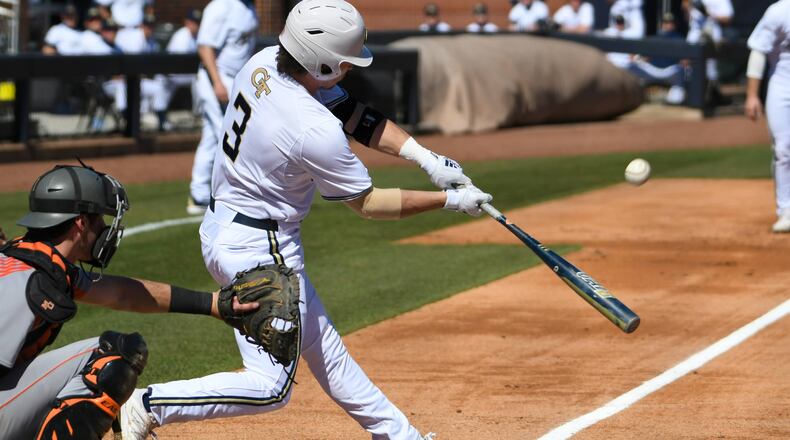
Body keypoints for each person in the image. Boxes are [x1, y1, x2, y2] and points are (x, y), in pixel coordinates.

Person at [117, 1, 490, 439]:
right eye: (346, 62)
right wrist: (447, 202)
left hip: (231, 228)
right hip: (261, 250)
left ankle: (399, 436)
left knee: (326, 349)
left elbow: (354, 114)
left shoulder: (265, 62)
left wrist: (425, 158)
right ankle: (146, 405)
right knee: (270, 386)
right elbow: (368, 204)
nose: (350, 68)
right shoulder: (312, 130)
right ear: (324, 62)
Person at [0, 164, 255, 439]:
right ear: (80, 223)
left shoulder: (40, 263)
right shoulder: (26, 281)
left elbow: (123, 293)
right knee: (112, 355)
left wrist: (213, 304)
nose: (104, 228)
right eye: (98, 219)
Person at [187, 0, 258, 215]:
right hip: (216, 76)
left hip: (236, 78)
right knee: (230, 135)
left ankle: (198, 194)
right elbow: (205, 47)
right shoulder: (220, 6)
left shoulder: (249, 7)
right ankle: (231, 192)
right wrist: (217, 82)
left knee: (212, 137)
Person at [744, 0, 790, 232]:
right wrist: (752, 95)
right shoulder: (779, 11)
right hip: (782, 86)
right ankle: (786, 210)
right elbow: (759, 51)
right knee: (783, 148)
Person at [683, 0, 733, 105]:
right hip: (694, 35)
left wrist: (709, 13)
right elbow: (686, 9)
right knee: (688, 67)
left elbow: (728, 18)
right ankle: (689, 95)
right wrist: (688, 6)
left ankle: (709, 97)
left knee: (711, 70)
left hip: (712, 34)